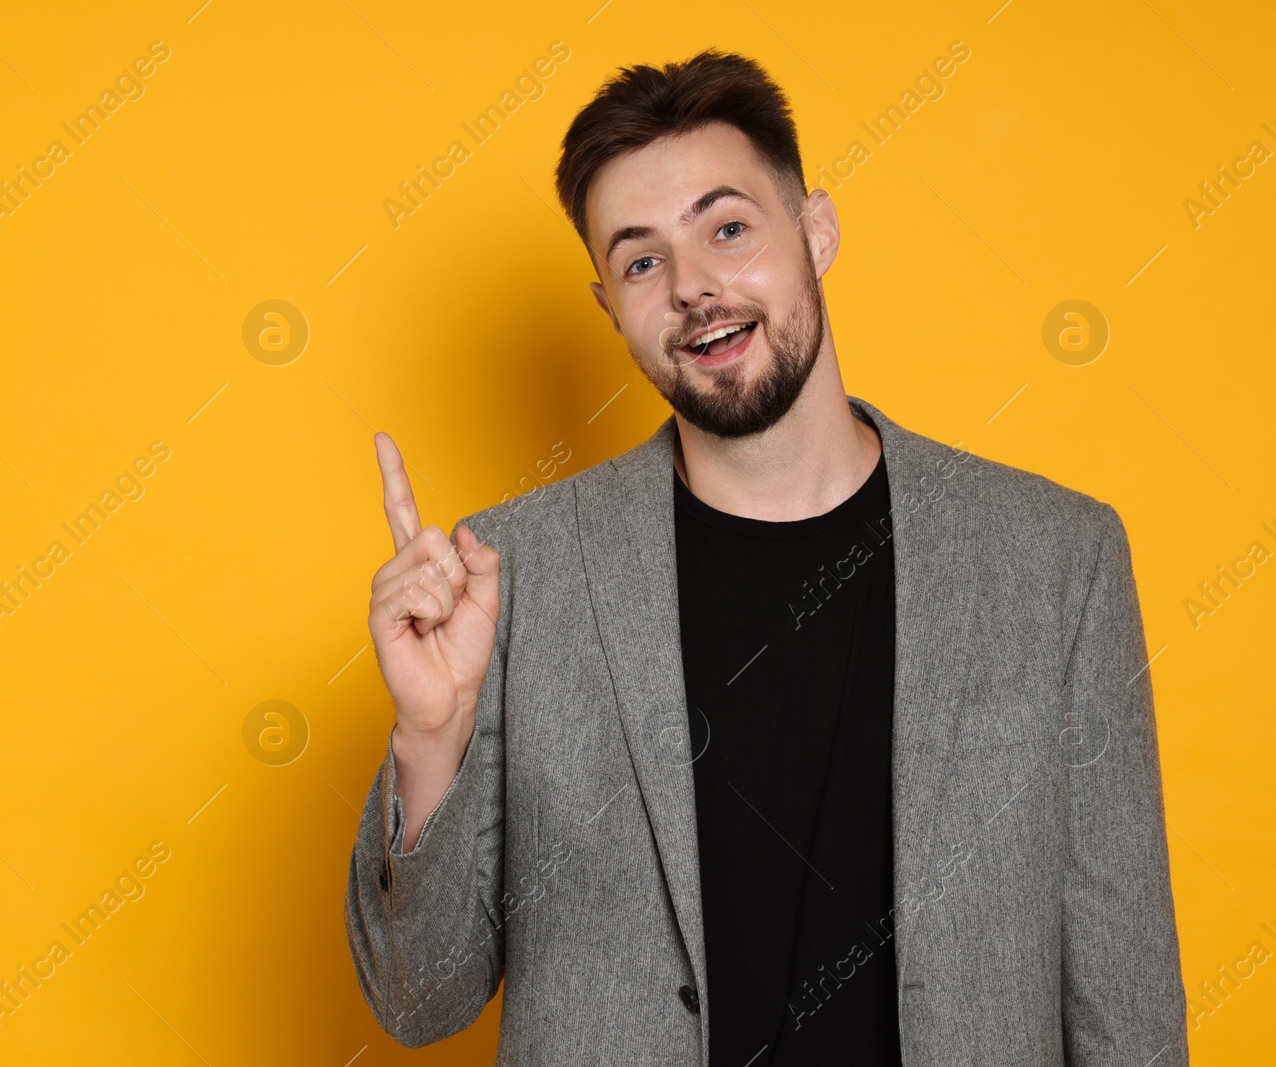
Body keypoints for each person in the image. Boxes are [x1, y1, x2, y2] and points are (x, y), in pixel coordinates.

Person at [344, 49, 1186, 1066]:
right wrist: (431, 739)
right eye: (642, 260)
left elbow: (1125, 999)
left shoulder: (1056, 559)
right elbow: (416, 1001)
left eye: (727, 228)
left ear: (815, 231)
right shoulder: (505, 579)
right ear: (609, 304)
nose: (694, 288)